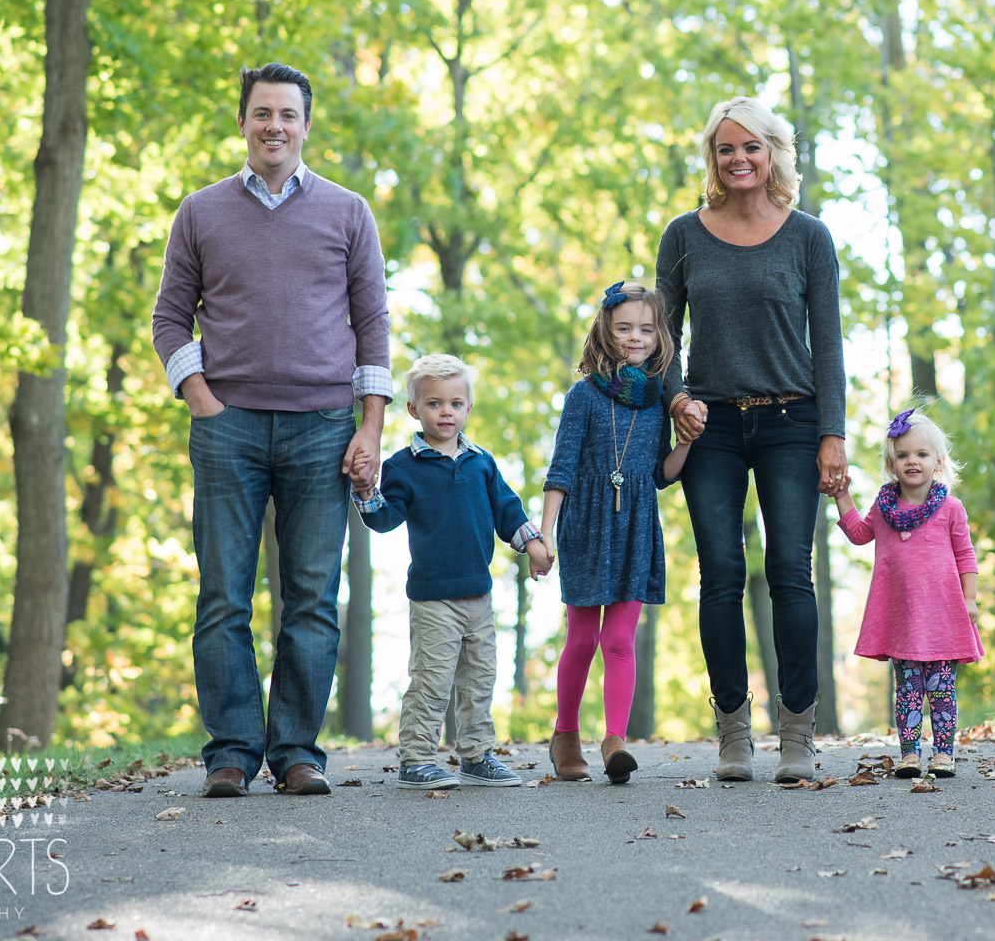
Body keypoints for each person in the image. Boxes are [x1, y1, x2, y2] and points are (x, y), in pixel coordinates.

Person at [150, 62, 390, 798]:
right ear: (244, 122)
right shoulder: (201, 212)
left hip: (323, 427)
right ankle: (230, 751)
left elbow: (373, 322)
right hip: (229, 428)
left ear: (306, 125)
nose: (274, 126)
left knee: (311, 598)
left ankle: (295, 753)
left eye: (288, 114)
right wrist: (200, 399)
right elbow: (169, 317)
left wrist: (370, 427)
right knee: (224, 595)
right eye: (262, 113)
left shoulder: (347, 212)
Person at [655, 95, 848, 784]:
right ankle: (733, 732)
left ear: (773, 155)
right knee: (721, 575)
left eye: (752, 147)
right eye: (725, 149)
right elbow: (660, 332)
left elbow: (827, 342)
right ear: (712, 158)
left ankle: (798, 734)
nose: (739, 160)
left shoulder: (808, 237)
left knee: (791, 573)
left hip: (792, 422)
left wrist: (833, 435)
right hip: (708, 424)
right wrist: (675, 396)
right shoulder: (684, 234)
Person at [350, 354, 550, 789]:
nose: (446, 412)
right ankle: (416, 759)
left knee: (480, 680)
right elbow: (384, 520)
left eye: (456, 404)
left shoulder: (481, 462)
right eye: (435, 404)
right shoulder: (403, 466)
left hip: (479, 595)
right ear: (413, 410)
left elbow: (508, 511)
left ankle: (476, 755)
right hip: (433, 597)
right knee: (432, 681)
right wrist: (366, 491)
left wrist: (533, 546)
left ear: (469, 408)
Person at [540, 281, 691, 784]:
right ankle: (565, 736)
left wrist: (689, 442)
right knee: (582, 639)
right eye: (624, 327)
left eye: (646, 329)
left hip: (636, 529)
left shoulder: (657, 402)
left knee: (620, 638)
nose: (635, 337)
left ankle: (615, 740)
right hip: (586, 525)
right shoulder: (583, 396)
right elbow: (560, 470)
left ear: (660, 336)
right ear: (605, 330)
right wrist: (546, 536)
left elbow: (661, 475)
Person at [833, 408, 982, 778]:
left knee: (942, 690)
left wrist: (970, 599)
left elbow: (966, 555)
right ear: (891, 464)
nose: (911, 461)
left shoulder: (950, 508)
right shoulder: (884, 510)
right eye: (902, 455)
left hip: (943, 618)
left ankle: (944, 753)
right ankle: (910, 753)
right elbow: (857, 534)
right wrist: (841, 495)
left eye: (921, 454)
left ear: (938, 462)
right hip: (902, 620)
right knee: (909, 690)